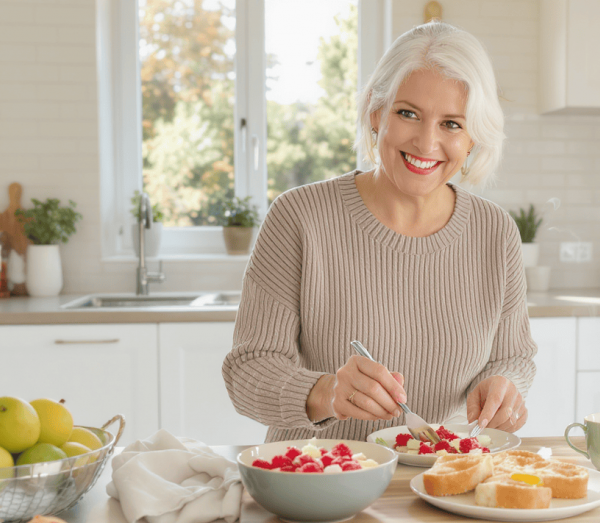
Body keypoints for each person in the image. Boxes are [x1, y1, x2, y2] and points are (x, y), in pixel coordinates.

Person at [222, 21, 537, 442]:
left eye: (452, 124)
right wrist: (326, 392)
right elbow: (248, 371)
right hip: (317, 484)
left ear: (473, 136)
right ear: (376, 112)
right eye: (408, 114)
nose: (426, 143)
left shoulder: (494, 232)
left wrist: (505, 387)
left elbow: (513, 356)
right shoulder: (300, 216)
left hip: (440, 482)